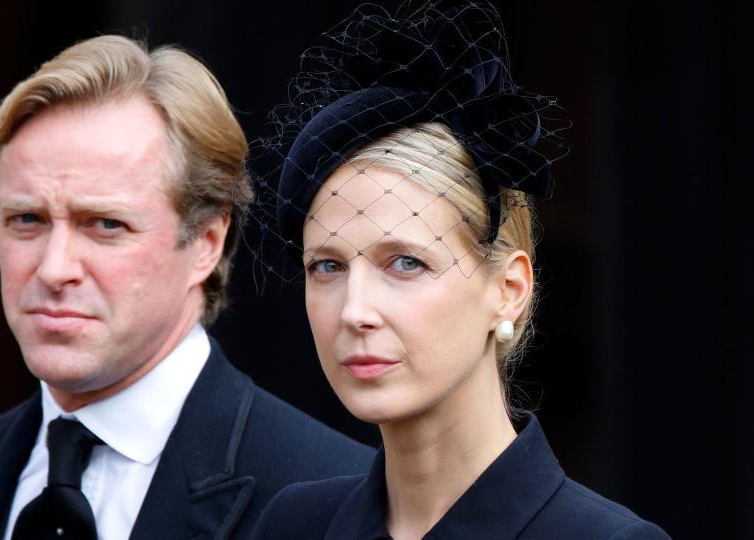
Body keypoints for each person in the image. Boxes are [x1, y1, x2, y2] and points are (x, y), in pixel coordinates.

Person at [0, 35, 373, 540]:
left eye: (104, 224)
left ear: (207, 241)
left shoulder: (337, 496)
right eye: (27, 219)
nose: (54, 269)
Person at [247, 3, 669, 539]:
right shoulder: (293, 526)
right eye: (327, 266)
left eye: (405, 262)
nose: (354, 312)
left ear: (509, 290)